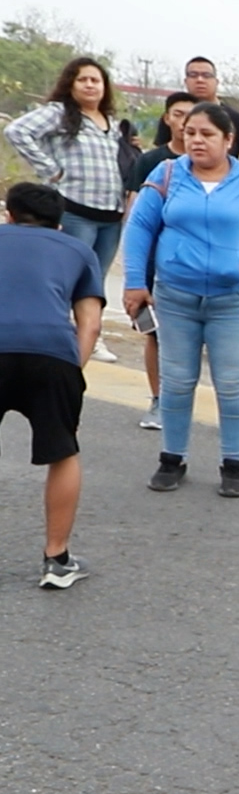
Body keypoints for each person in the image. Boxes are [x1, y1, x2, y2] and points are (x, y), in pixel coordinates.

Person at [121, 103, 239, 498]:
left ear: (228, 140)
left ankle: (234, 464)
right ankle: (171, 458)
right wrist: (133, 283)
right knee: (177, 382)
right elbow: (140, 227)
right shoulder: (166, 174)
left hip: (232, 301)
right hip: (175, 297)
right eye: (191, 132)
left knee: (232, 383)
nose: (196, 140)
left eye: (207, 134)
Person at [0, 182, 105, 587]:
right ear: (59, 224)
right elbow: (90, 324)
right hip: (52, 354)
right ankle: (57, 560)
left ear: (10, 214)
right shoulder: (80, 251)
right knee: (62, 451)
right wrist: (71, 370)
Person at [4, 57, 127, 279]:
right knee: (67, 277)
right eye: (82, 80)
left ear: (104, 86)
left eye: (95, 80)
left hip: (111, 216)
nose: (90, 85)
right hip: (75, 212)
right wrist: (50, 170)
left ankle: (91, 316)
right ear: (70, 84)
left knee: (94, 282)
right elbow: (17, 131)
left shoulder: (112, 122)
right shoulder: (58, 112)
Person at [125, 92, 197, 431]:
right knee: (155, 333)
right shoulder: (153, 162)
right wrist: (135, 272)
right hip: (156, 261)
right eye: (178, 114)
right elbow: (136, 216)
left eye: (192, 116)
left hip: (195, 267)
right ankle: (157, 400)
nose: (185, 123)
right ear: (167, 119)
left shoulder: (216, 165)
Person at [156, 58, 239, 167]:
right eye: (193, 75)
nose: (200, 80)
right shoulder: (173, 118)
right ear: (186, 81)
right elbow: (159, 154)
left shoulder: (236, 119)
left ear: (216, 82)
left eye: (206, 75)